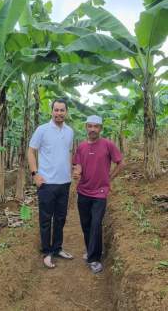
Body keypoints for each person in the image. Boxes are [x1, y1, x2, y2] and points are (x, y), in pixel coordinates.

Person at [73, 115, 124, 274]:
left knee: (96, 224)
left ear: (100, 128)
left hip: (100, 192)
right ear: (86, 127)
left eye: (96, 126)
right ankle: (92, 250)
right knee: (86, 225)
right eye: (90, 126)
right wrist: (77, 172)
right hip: (83, 191)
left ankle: (94, 259)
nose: (93, 129)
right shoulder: (81, 147)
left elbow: (121, 163)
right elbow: (78, 164)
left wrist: (110, 178)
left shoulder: (107, 144)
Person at [28, 98, 74, 269]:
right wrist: (35, 174)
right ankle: (47, 252)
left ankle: (57, 248)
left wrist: (70, 172)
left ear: (66, 112)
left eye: (62, 110)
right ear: (51, 111)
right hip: (47, 183)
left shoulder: (69, 131)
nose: (59, 113)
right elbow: (31, 151)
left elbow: (68, 152)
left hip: (64, 182)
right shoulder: (42, 130)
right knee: (46, 219)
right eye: (56, 110)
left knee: (61, 218)